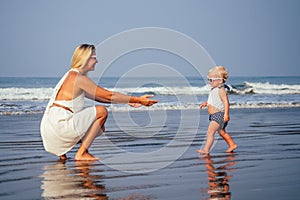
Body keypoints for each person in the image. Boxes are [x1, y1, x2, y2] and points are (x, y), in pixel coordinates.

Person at [40, 44, 158, 161]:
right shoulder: (78, 78)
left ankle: (63, 155)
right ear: (85, 58)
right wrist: (138, 100)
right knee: (101, 111)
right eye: (94, 57)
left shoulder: (70, 75)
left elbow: (101, 97)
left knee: (99, 128)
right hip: (60, 127)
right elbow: (108, 95)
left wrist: (127, 101)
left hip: (50, 128)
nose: (97, 61)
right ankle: (82, 153)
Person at [197, 66, 237, 154]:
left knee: (210, 132)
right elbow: (214, 100)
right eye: (208, 79)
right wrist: (206, 103)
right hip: (214, 115)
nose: (209, 82)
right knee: (222, 132)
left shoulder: (221, 90)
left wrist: (226, 114)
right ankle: (232, 144)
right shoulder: (213, 89)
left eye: (211, 80)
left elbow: (226, 102)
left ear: (220, 80)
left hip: (219, 115)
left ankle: (206, 150)